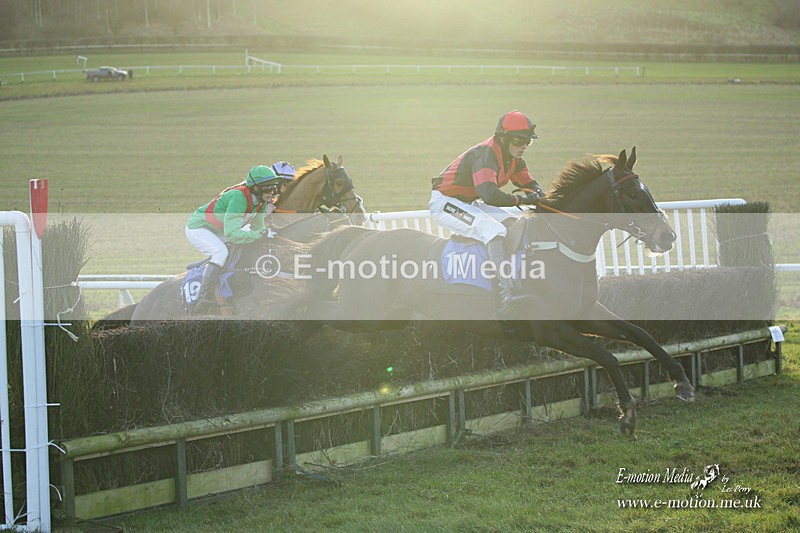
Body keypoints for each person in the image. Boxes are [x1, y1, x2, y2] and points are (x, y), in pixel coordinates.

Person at [429, 110, 544, 312]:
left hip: (469, 202)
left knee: (512, 224)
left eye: (528, 142)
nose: (524, 146)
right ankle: (505, 290)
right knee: (493, 230)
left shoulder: (515, 158)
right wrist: (522, 199)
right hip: (445, 203)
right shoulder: (485, 155)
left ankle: (518, 276)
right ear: (503, 138)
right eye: (519, 141)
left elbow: (528, 183)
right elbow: (490, 195)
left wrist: (539, 193)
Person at [185, 162, 295, 311]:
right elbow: (233, 234)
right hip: (199, 228)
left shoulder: (261, 201)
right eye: (269, 188)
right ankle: (201, 297)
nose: (272, 192)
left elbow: (258, 226)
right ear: (256, 188)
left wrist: (263, 234)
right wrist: (256, 235)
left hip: (218, 230)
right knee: (220, 252)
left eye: (274, 187)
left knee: (245, 246)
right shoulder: (238, 197)